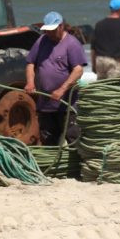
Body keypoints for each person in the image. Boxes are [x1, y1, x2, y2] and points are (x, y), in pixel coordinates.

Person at [25, 11, 87, 145]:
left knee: (73, 141)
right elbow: (30, 63)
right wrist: (30, 83)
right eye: (47, 30)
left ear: (61, 26)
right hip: (45, 105)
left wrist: (61, 90)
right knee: (48, 142)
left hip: (67, 106)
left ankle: (74, 166)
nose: (49, 33)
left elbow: (78, 70)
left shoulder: (72, 43)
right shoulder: (41, 41)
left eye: (52, 30)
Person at [91, 0, 120, 79]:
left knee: (101, 87)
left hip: (100, 60)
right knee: (112, 88)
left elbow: (93, 47)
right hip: (113, 62)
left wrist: (93, 64)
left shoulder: (99, 24)